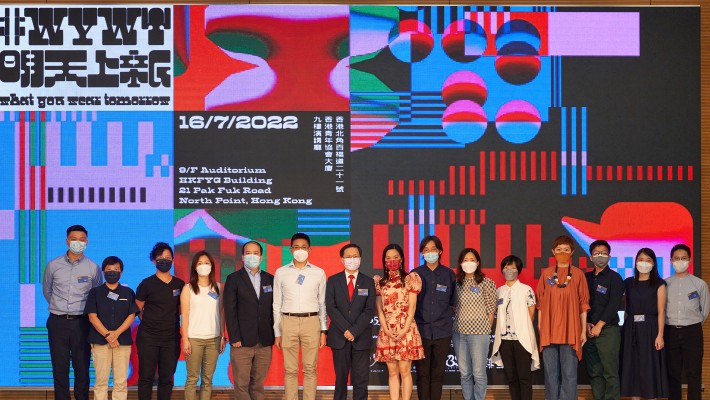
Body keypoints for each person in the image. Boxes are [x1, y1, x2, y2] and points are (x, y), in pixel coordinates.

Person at [42, 224, 102, 400]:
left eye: (82, 240)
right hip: (57, 322)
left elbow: (95, 296)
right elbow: (47, 292)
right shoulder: (53, 265)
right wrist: (60, 308)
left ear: (87, 242)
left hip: (82, 323)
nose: (78, 242)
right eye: (74, 239)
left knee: (82, 367)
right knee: (59, 368)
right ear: (67, 241)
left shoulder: (93, 267)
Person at [273, 232, 327, 400]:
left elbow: (322, 303)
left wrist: (323, 330)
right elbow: (276, 304)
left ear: (310, 250)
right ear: (291, 250)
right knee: (290, 370)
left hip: (312, 321)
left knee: (310, 369)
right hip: (287, 321)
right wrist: (277, 332)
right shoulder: (281, 272)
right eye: (297, 247)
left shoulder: (319, 273)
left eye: (304, 247)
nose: (300, 250)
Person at [536, 235, 589, 400]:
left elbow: (583, 305)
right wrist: (540, 327)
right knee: (550, 374)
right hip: (549, 330)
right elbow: (540, 304)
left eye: (566, 249)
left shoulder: (578, 275)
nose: (562, 252)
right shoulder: (547, 274)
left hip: (571, 330)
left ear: (572, 251)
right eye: (559, 249)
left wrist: (582, 331)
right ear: (553, 251)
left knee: (570, 374)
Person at [223, 241, 275, 400]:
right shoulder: (233, 279)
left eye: (255, 253)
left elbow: (274, 309)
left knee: (258, 384)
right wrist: (234, 337)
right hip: (242, 341)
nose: (252, 256)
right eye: (248, 253)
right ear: (242, 256)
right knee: (241, 384)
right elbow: (229, 310)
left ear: (261, 257)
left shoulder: (270, 279)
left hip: (264, 341)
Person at [325, 243, 377, 400]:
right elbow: (331, 307)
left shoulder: (368, 282)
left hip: (361, 337)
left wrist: (354, 330)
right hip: (339, 337)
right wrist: (347, 329)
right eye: (348, 257)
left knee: (361, 380)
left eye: (355, 256)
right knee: (340, 380)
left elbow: (369, 310)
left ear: (360, 259)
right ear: (342, 260)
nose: (352, 259)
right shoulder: (333, 280)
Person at [135, 242, 185, 400]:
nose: (165, 260)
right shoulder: (146, 284)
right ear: (153, 261)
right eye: (161, 258)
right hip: (148, 338)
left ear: (173, 260)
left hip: (171, 339)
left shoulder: (180, 284)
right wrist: (150, 323)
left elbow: (182, 310)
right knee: (146, 377)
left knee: (166, 378)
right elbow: (137, 309)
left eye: (168, 258)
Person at [85, 256, 139, 400]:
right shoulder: (95, 292)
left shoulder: (128, 293)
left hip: (122, 342)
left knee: (121, 382)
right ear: (103, 271)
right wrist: (108, 336)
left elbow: (131, 316)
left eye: (116, 270)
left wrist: (116, 334)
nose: (112, 272)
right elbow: (92, 317)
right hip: (100, 341)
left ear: (121, 273)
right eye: (109, 270)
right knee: (101, 382)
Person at [375, 243, 424, 400]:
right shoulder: (379, 283)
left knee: (405, 370)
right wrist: (386, 329)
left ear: (401, 259)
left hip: (407, 328)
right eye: (388, 258)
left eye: (395, 257)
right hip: (387, 329)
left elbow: (412, 307)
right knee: (392, 372)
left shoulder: (411, 279)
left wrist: (404, 330)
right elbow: (379, 310)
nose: (392, 261)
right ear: (384, 261)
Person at [412, 235, 456, 400]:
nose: (430, 253)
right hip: (420, 332)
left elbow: (453, 302)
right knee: (422, 375)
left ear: (440, 251)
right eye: (426, 250)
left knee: (438, 374)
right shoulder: (415, 274)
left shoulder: (448, 274)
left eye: (433, 249)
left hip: (442, 332)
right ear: (422, 253)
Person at [620, 248, 668, 399]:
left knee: (649, 367)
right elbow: (623, 306)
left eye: (648, 261)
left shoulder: (659, 283)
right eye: (641, 260)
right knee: (633, 366)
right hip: (631, 329)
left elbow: (661, 311)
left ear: (654, 264)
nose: (644, 263)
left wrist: (660, 335)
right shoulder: (628, 283)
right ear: (635, 262)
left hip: (651, 328)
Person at [665, 244, 710, 400]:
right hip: (669, 331)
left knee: (694, 372)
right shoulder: (665, 284)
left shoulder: (699, 284)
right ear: (671, 260)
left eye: (684, 258)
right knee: (673, 372)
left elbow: (704, 311)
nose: (680, 261)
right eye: (676, 258)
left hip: (692, 332)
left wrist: (692, 324)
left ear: (690, 260)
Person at [491, 255, 539, 400]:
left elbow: (531, 315)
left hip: (521, 340)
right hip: (504, 340)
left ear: (518, 270)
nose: (509, 270)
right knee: (511, 377)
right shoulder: (499, 291)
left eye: (512, 267)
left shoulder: (526, 290)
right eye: (506, 267)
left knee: (524, 378)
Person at [181, 251, 227, 400]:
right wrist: (185, 339)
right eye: (200, 263)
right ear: (194, 267)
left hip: (213, 339)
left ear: (212, 266)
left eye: (206, 263)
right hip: (194, 339)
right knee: (192, 379)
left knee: (207, 380)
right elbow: (185, 315)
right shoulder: (188, 288)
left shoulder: (218, 287)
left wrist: (222, 336)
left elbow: (221, 313)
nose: (203, 266)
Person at [452, 248, 496, 400]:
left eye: (472, 260)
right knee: (465, 373)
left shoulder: (486, 282)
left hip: (479, 334)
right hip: (459, 333)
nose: (468, 263)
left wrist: (486, 329)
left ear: (478, 263)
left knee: (479, 373)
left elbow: (491, 309)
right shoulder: (456, 284)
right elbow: (453, 307)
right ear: (460, 263)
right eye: (465, 260)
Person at [583, 240, 624, 400]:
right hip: (588, 331)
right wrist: (585, 323)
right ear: (591, 257)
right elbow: (580, 302)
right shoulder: (585, 277)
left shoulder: (615, 278)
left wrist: (599, 325)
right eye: (596, 253)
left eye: (604, 253)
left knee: (610, 373)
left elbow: (614, 304)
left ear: (609, 256)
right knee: (594, 373)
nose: (600, 256)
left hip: (608, 331)